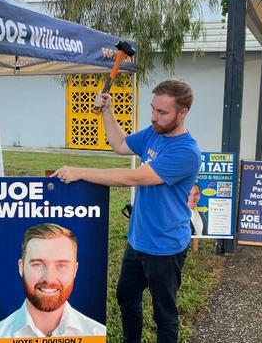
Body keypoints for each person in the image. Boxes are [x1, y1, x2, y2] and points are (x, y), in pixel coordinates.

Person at [52, 79, 201, 343]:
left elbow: (131, 178)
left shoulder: (186, 152)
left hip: (165, 248)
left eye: (162, 112)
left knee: (164, 315)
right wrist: (107, 111)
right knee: (126, 298)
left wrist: (80, 172)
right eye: (153, 109)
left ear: (183, 113)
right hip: (138, 240)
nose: (154, 117)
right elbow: (120, 144)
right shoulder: (154, 132)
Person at [0, 223, 106, 338]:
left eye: (61, 266)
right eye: (38, 264)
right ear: (21, 267)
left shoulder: (97, 334)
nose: (49, 279)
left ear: (75, 270)